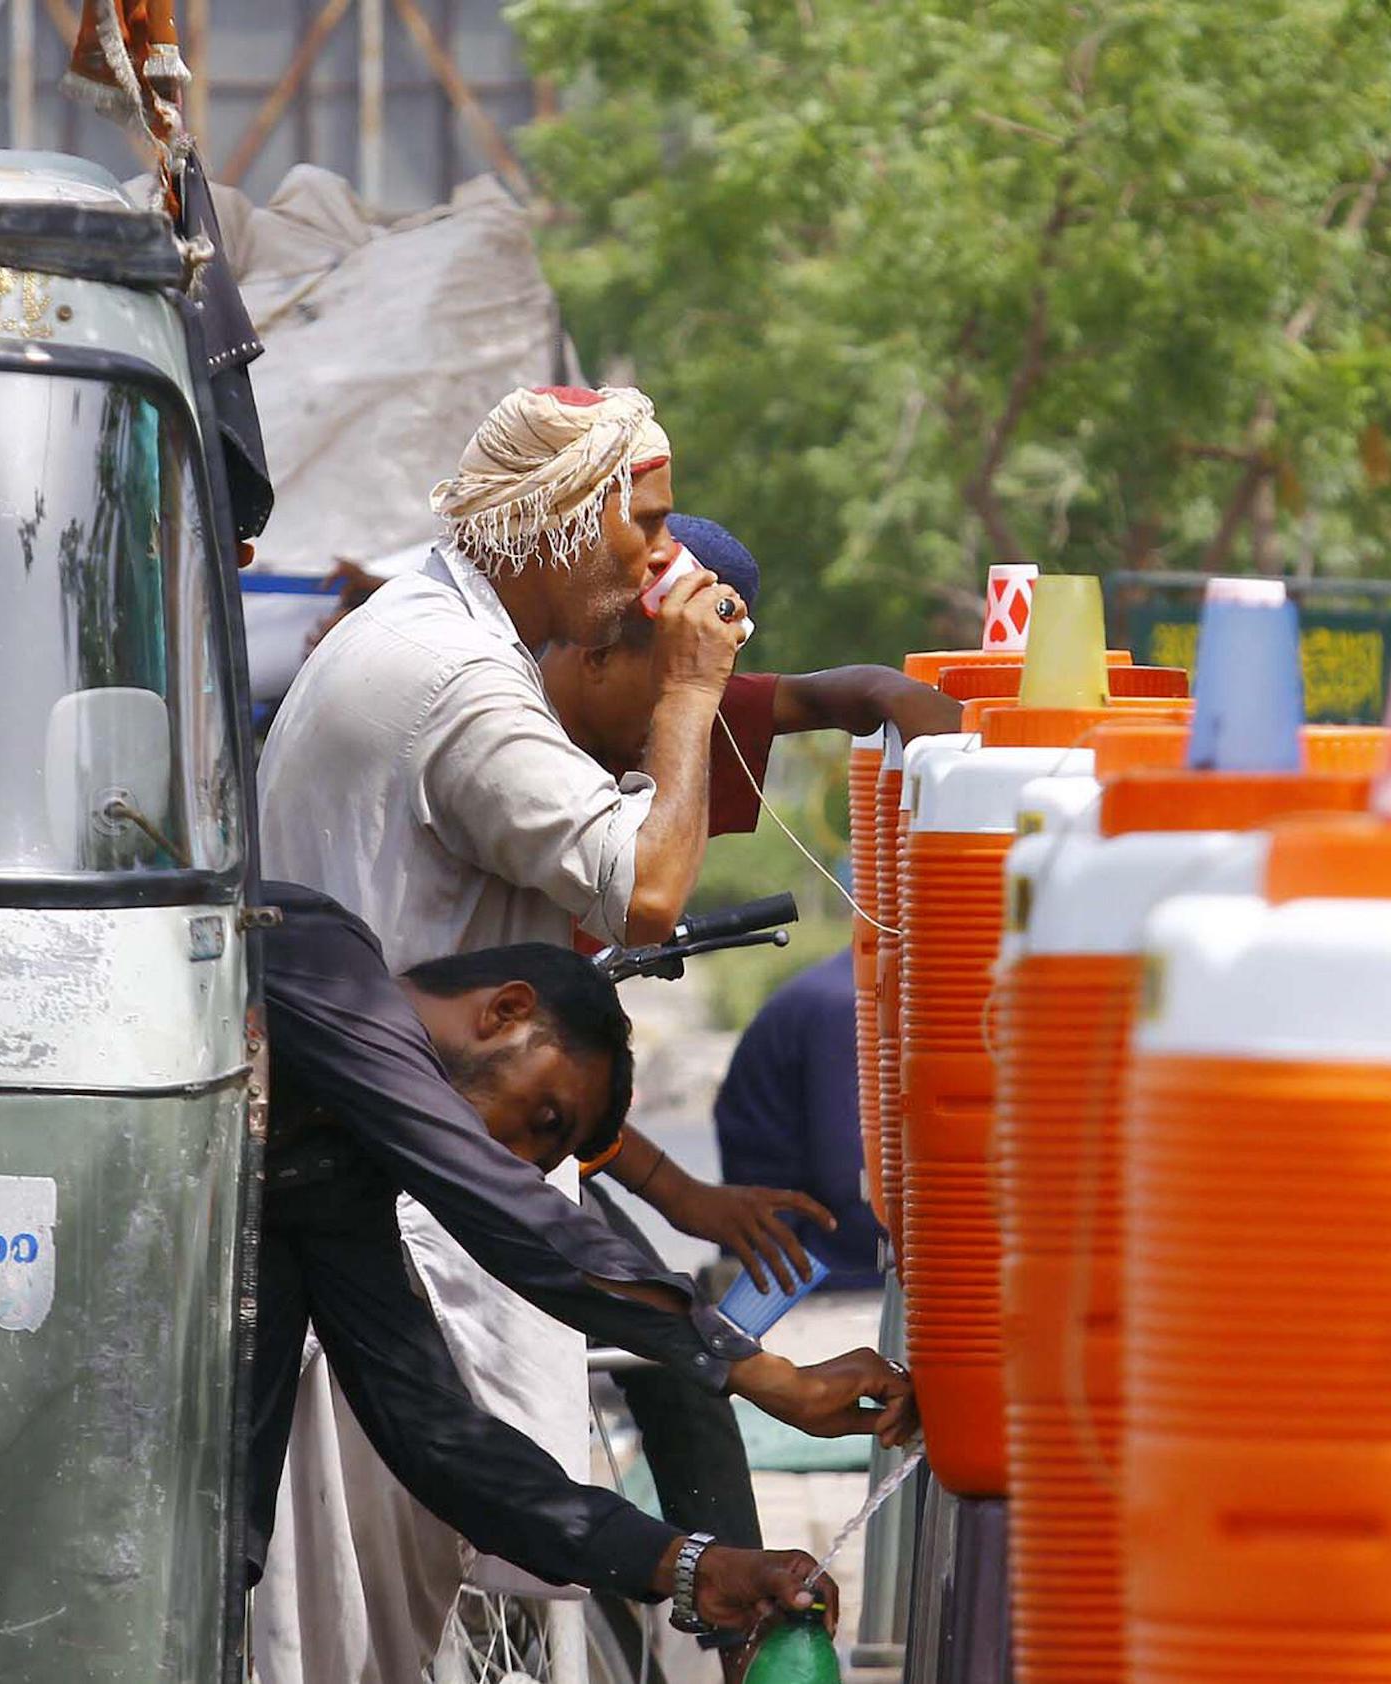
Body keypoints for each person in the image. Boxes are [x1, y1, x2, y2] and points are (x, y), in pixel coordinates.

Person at [254, 387, 911, 1679]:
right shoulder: (452, 679)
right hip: (416, 1229)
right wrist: (690, 685)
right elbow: (646, 884)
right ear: (562, 517)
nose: (656, 564)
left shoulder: (443, 643)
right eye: (647, 526)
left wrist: (843, 695)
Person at [247, 884, 912, 1678]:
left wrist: (693, 1565)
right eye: (545, 1122)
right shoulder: (310, 954)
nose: (521, 1159)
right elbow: (511, 1213)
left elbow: (448, 1449)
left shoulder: (336, 1182)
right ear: (505, 1013)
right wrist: (765, 1374)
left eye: (547, 1154)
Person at [538, 513, 964, 838]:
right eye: (681, 686)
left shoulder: (641, 699)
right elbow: (650, 902)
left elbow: (825, 695)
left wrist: (891, 691)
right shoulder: (513, 733)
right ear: (599, 653)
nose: (688, 714)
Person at [713, 947, 884, 1290]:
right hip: (807, 1265)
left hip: (798, 1253)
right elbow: (854, 1180)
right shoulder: (847, 1006)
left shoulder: (846, 986)